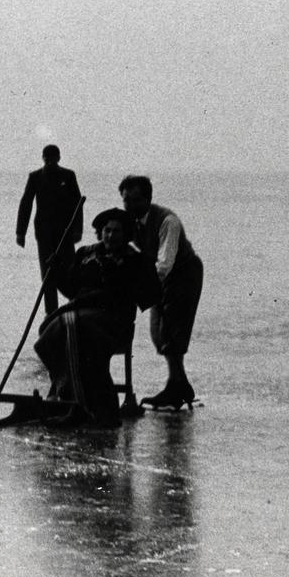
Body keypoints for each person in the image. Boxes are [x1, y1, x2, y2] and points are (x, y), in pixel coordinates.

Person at [34, 207, 161, 427]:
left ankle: (86, 406)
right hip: (80, 313)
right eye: (107, 231)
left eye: (117, 232)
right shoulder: (85, 254)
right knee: (52, 329)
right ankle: (66, 395)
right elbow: (71, 289)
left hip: (113, 321)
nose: (111, 236)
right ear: (100, 232)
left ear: (126, 234)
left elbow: (149, 295)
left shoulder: (134, 261)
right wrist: (55, 272)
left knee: (74, 329)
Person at [119, 174, 204, 409]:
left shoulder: (168, 221)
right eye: (126, 200)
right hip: (157, 276)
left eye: (136, 200)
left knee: (172, 330)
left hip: (184, 272)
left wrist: (141, 288)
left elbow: (165, 263)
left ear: (148, 198)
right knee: (158, 332)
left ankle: (176, 387)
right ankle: (179, 384)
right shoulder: (129, 222)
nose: (130, 206)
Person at [16, 145, 84, 318]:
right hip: (44, 233)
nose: (50, 162)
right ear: (43, 158)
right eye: (47, 158)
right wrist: (20, 232)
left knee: (70, 269)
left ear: (59, 158)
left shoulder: (68, 176)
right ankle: (50, 312)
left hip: (65, 232)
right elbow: (26, 203)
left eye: (53, 158)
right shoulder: (36, 177)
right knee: (47, 273)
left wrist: (77, 230)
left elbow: (77, 203)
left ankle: (74, 304)